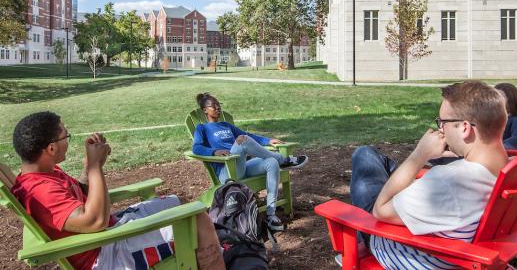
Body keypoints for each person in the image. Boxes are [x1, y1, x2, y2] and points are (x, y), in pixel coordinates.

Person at [11, 111, 225, 270]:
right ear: (50, 148)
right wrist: (95, 167)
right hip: (107, 256)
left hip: (109, 237)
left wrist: (91, 167)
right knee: (196, 220)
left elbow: (82, 197)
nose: (68, 140)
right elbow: (94, 221)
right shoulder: (40, 191)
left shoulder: (44, 174)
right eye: (66, 137)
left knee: (179, 202)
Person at [347, 81, 508, 269]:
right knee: (384, 165)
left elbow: (379, 211)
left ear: (465, 128)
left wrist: (419, 155)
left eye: (442, 122)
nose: (441, 129)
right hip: (461, 239)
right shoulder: (510, 170)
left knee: (365, 155)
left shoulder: (447, 180)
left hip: (405, 252)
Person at [192, 93, 308, 232]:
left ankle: (271, 215)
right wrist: (213, 152)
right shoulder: (202, 128)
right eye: (213, 106)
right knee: (242, 139)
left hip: (242, 166)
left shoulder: (226, 125)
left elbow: (250, 136)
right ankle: (284, 160)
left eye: (219, 104)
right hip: (227, 171)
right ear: (205, 110)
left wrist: (267, 140)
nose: (217, 107)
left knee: (271, 162)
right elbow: (196, 147)